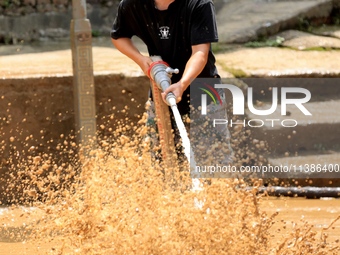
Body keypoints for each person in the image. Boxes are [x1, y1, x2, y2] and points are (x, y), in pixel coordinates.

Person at [111, 0, 232, 171]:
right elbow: (119, 36)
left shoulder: (199, 4)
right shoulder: (133, 4)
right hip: (161, 92)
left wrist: (182, 84)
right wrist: (141, 59)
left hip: (205, 92)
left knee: (217, 162)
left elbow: (199, 53)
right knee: (161, 161)